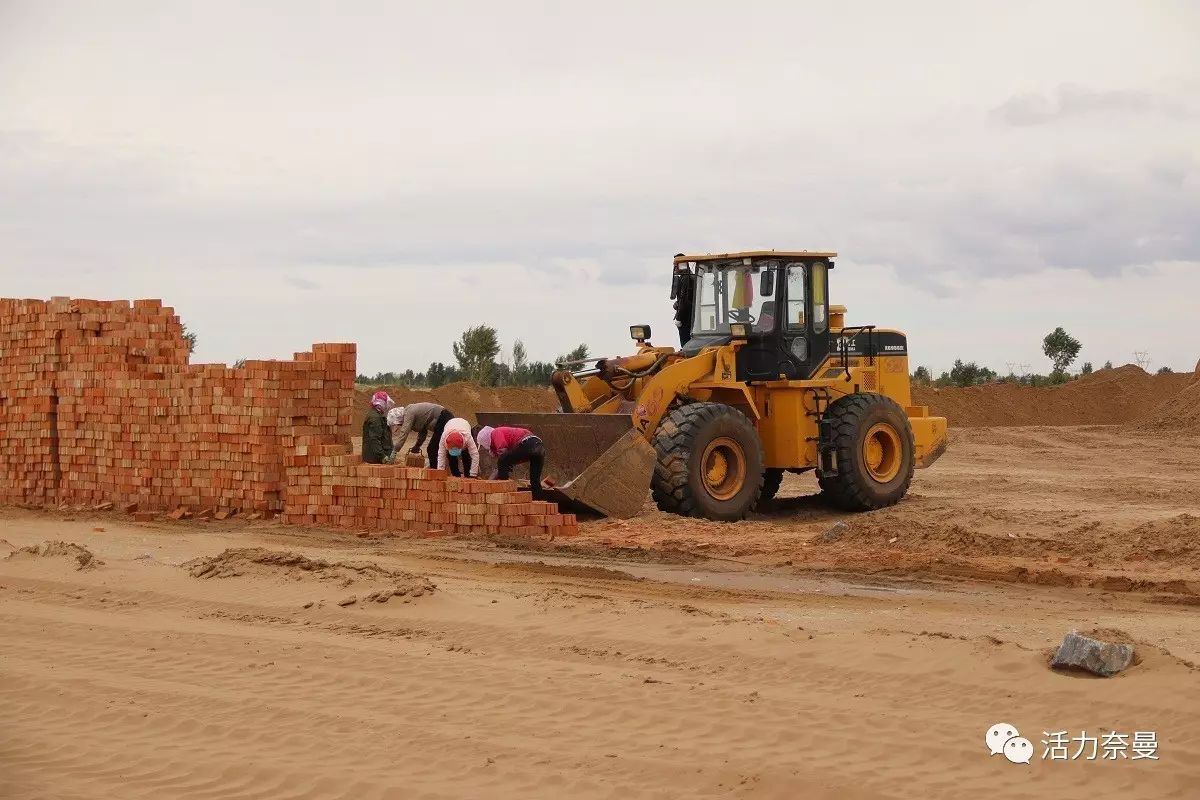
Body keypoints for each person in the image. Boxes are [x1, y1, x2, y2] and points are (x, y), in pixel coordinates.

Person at [476, 425, 546, 499]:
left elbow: (503, 454)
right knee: (535, 481)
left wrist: (489, 482)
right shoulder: (506, 436)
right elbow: (509, 457)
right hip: (539, 447)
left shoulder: (495, 432)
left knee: (502, 460)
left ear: (486, 440)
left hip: (528, 443)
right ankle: (540, 502)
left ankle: (504, 490)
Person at [389, 402, 453, 467]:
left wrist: (394, 451)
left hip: (443, 418)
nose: (399, 425)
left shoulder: (409, 413)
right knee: (439, 447)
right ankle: (441, 468)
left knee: (432, 448)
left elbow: (404, 432)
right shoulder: (412, 413)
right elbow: (423, 431)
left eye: (398, 424)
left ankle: (435, 471)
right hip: (444, 417)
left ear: (399, 418)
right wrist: (417, 445)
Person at [362, 390, 393, 464]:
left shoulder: (377, 415)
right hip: (375, 458)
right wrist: (382, 456)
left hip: (376, 456)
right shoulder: (375, 418)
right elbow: (375, 439)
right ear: (381, 403)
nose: (387, 406)